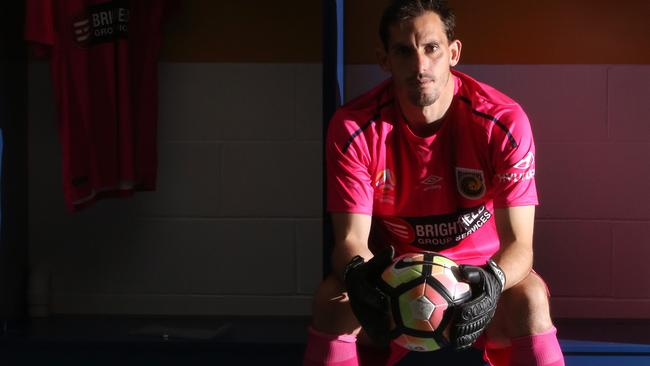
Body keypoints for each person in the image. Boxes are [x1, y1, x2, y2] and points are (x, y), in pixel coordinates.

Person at [303, 1, 565, 365]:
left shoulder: (502, 122)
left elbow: (520, 245)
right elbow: (350, 240)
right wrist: (359, 277)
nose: (420, 66)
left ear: (453, 52)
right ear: (384, 59)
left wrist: (492, 282)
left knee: (532, 298)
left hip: (479, 278)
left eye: (431, 48)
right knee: (332, 300)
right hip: (397, 280)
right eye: (403, 52)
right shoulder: (354, 129)